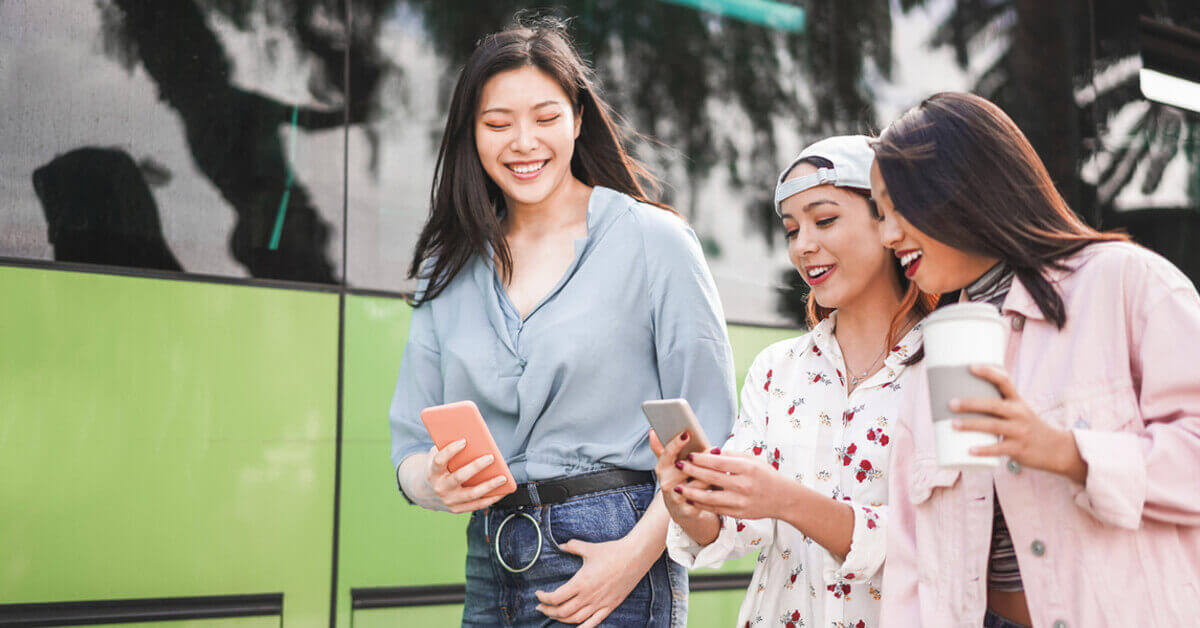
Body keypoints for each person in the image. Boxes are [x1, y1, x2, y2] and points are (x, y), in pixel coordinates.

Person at [387, 17, 736, 628]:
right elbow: (411, 451)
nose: (523, 142)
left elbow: (710, 436)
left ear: (578, 119)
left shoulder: (655, 241)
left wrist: (633, 558)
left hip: (616, 554)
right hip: (490, 559)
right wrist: (435, 483)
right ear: (471, 133)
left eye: (545, 118)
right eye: (498, 124)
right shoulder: (449, 264)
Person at [871, 92, 1200, 627]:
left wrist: (1070, 453)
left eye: (898, 206)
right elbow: (912, 563)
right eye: (880, 216)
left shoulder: (1123, 283)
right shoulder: (926, 361)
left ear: (961, 183)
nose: (888, 235)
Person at [653, 136, 935, 628]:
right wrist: (690, 505)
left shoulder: (944, 365)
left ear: (888, 220)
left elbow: (940, 540)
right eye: (791, 229)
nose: (803, 245)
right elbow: (740, 527)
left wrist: (786, 499)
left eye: (824, 220)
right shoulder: (774, 368)